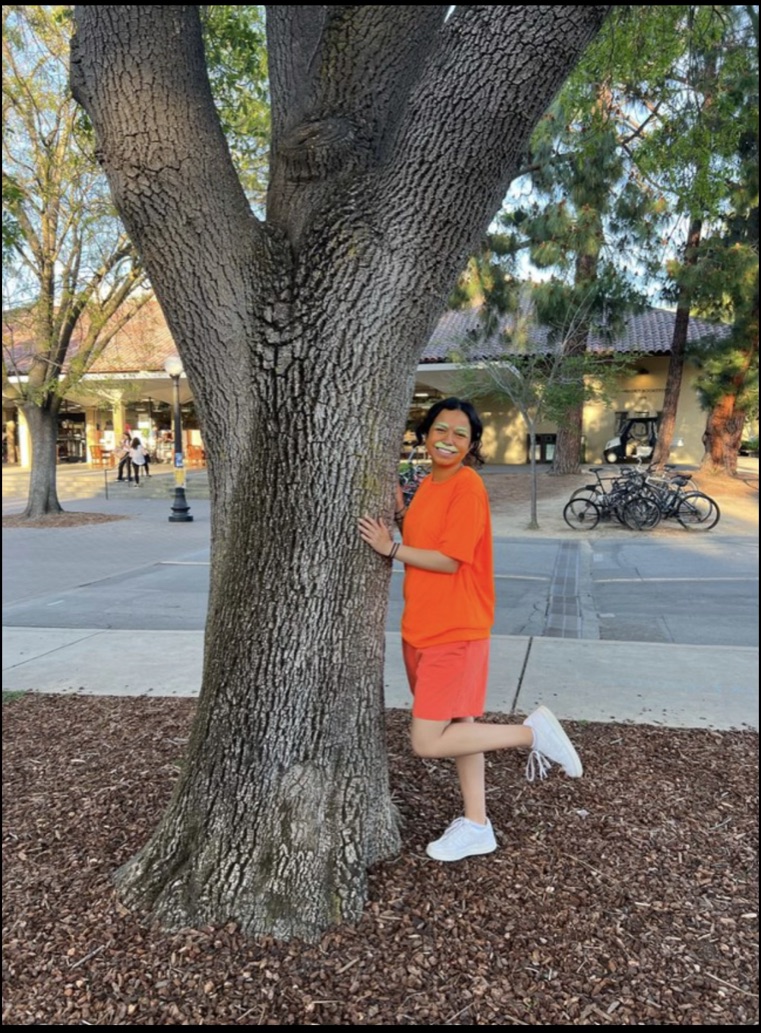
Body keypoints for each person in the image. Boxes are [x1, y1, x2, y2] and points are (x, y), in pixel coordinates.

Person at [358, 397, 582, 863]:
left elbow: (449, 559)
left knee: (426, 740)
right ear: (425, 435)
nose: (448, 440)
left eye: (461, 434)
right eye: (441, 429)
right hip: (421, 626)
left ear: (472, 445)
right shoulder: (428, 486)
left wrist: (389, 547)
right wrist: (402, 516)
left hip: (454, 629)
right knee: (461, 726)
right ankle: (478, 825)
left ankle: (532, 735)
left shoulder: (467, 486)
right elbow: (431, 536)